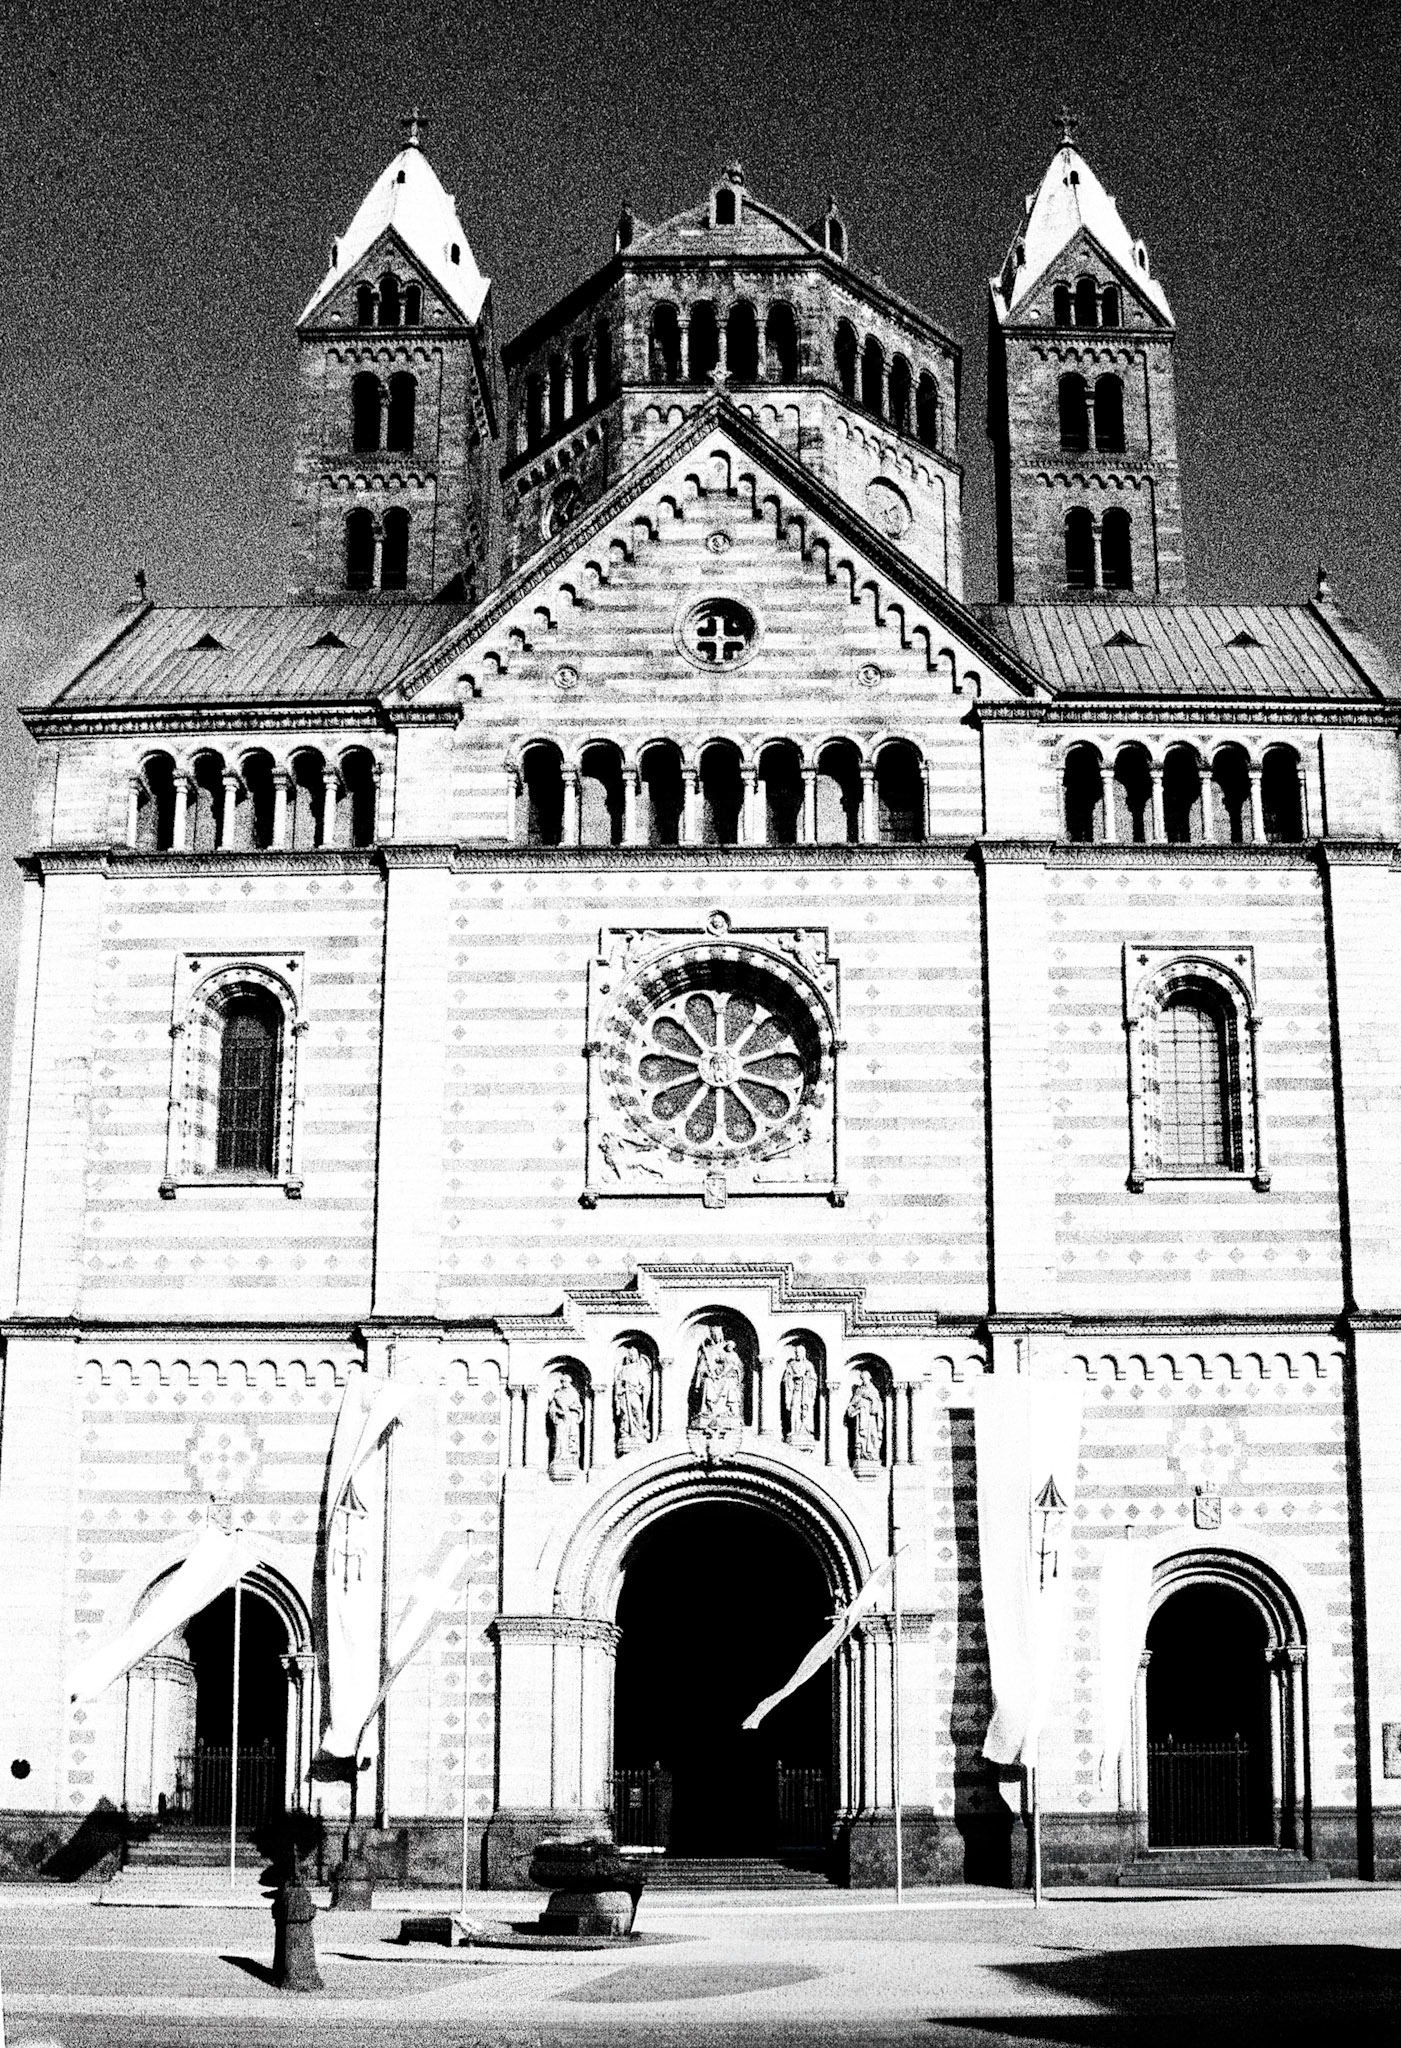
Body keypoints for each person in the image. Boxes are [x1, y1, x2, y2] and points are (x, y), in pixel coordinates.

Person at [614, 1345, 651, 1451]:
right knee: (625, 1415)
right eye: (630, 1355)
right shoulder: (623, 1369)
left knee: (638, 1411)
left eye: (634, 1355)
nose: (632, 1356)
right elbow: (618, 1384)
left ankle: (639, 1433)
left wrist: (640, 1389)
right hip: (625, 1395)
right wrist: (621, 1390)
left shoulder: (640, 1369)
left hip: (634, 1394)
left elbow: (645, 1386)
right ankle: (626, 1433)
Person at [781, 1338, 819, 1443]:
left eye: (800, 1352)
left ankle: (805, 1430)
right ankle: (794, 1430)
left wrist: (806, 1378)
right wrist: (792, 1377)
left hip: (805, 1391)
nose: (798, 1354)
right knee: (794, 1408)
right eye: (796, 1352)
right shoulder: (791, 1364)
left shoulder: (808, 1365)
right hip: (795, 1390)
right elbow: (787, 1378)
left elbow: (813, 1378)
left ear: (804, 1353)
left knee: (805, 1409)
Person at [547, 1374, 584, 1469]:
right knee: (560, 1439)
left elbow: (579, 1407)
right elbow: (552, 1409)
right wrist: (559, 1412)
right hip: (560, 1421)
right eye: (563, 1382)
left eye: (567, 1382)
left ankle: (571, 1458)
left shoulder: (574, 1393)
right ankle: (559, 1457)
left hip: (571, 1420)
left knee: (571, 1440)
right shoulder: (557, 1394)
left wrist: (574, 1409)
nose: (565, 1383)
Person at [846, 1371, 883, 1464]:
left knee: (873, 1435)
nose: (864, 1380)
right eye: (862, 1378)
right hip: (861, 1417)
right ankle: (862, 1454)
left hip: (871, 1417)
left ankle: (873, 1454)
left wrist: (871, 1399)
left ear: (869, 1378)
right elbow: (853, 1403)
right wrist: (852, 1409)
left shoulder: (874, 1390)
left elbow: (878, 1404)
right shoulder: (859, 1390)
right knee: (861, 1436)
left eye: (865, 1378)